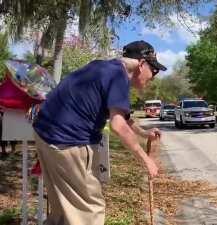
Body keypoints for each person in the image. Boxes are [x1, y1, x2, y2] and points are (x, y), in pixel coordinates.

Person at [33, 40, 166, 225]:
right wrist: (146, 160)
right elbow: (118, 126)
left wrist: (145, 133)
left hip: (45, 135)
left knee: (64, 210)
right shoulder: (119, 77)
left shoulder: (105, 69)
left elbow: (123, 117)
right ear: (142, 64)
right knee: (89, 211)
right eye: (154, 70)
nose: (153, 77)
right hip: (68, 142)